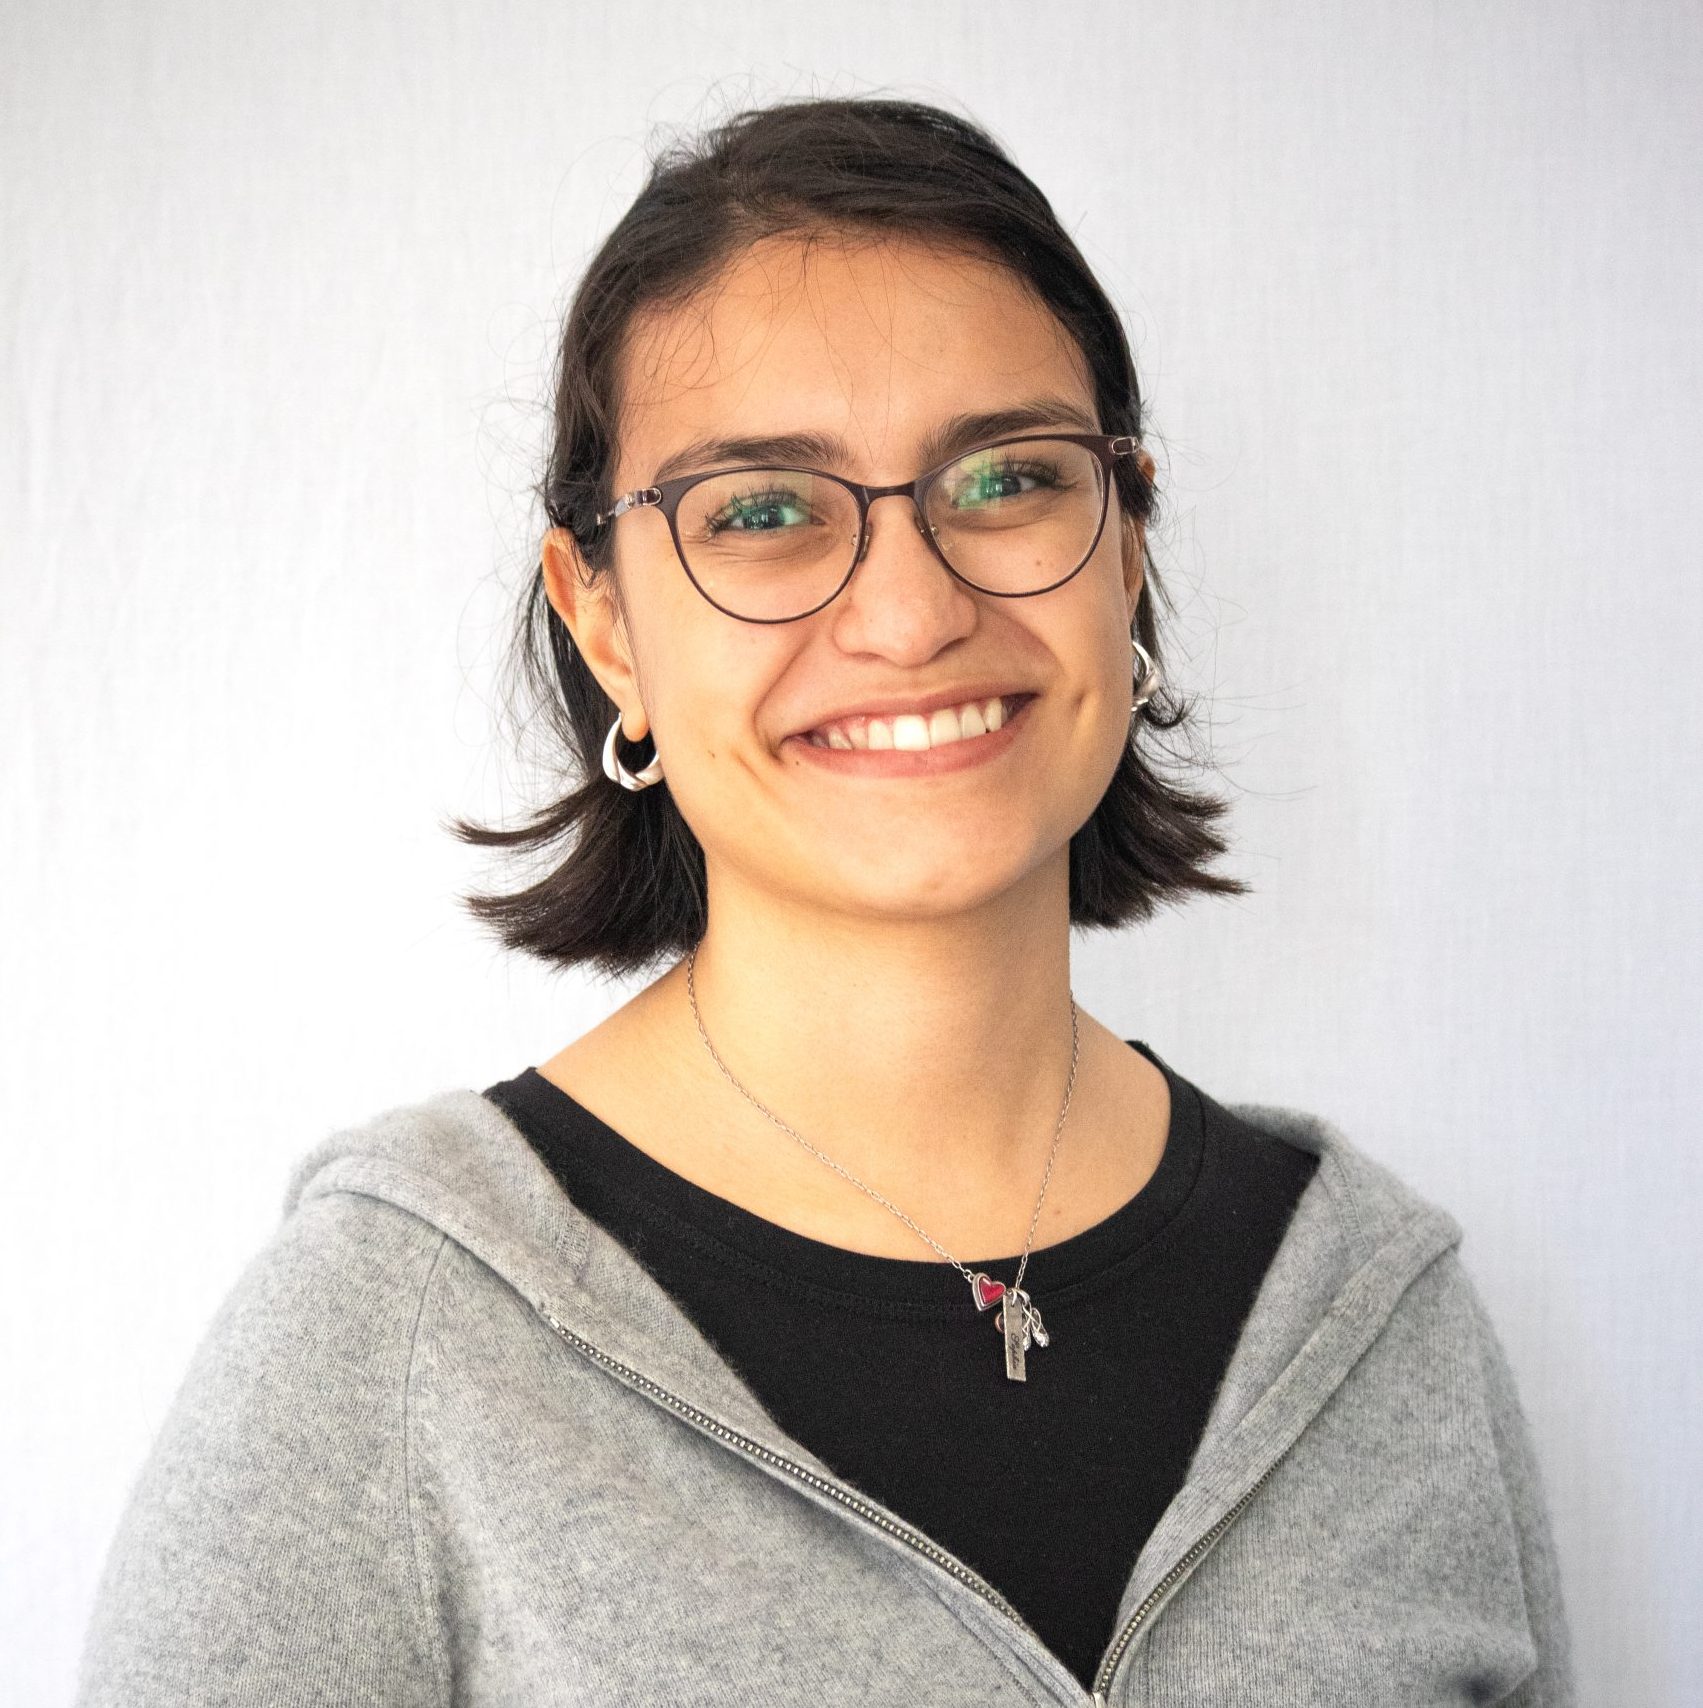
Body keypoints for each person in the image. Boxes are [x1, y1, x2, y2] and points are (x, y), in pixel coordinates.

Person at [75, 97, 1575, 1706]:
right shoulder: (386, 1339)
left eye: (1007, 479)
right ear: (604, 622)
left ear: (1125, 543)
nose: (916, 612)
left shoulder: (1383, 1319)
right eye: (765, 513)